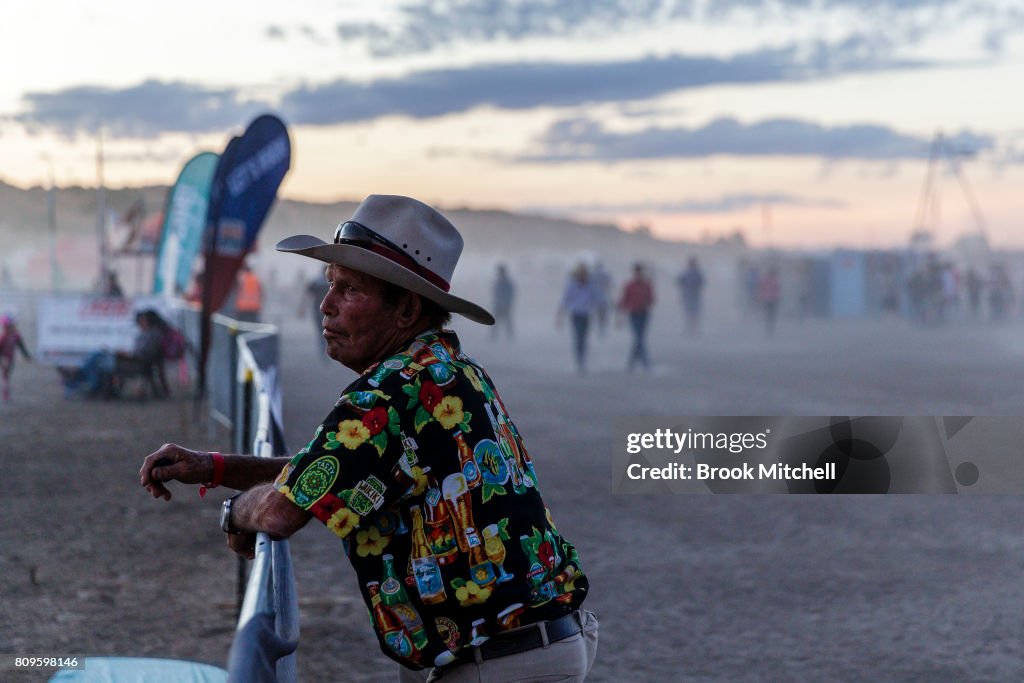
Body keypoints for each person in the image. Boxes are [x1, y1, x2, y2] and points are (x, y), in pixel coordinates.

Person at [139, 195, 597, 682]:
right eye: (330, 284)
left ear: (406, 309)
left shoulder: (389, 391)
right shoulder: (449, 372)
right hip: (537, 644)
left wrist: (235, 512)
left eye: (350, 289)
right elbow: (340, 466)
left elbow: (280, 511)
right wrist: (215, 468)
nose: (326, 304)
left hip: (497, 662)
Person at [557, 263, 602, 374]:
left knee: (583, 339)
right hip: (576, 314)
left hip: (586, 315)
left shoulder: (591, 286)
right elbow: (565, 300)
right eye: (580, 274)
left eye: (584, 274)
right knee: (578, 338)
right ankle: (579, 361)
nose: (582, 276)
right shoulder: (572, 285)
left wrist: (600, 313)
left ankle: (582, 360)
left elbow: (598, 300)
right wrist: (560, 316)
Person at [617, 263, 655, 371]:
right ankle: (645, 362)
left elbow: (652, 299)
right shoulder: (630, 285)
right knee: (639, 337)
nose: (638, 274)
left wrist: (647, 302)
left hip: (644, 313)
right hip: (634, 313)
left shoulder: (647, 285)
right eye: (637, 272)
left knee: (640, 338)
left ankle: (632, 362)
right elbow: (624, 300)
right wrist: (620, 316)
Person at [1, 314, 32, 402]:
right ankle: (5, 394)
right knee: (5, 376)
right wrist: (2, 360)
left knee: (7, 376)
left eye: (13, 325)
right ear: (6, 327)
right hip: (4, 359)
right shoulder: (3, 337)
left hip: (10, 359)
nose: (13, 327)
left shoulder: (16, 336)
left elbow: (21, 346)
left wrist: (27, 356)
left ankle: (6, 393)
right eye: (10, 326)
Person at [676, 256, 705, 335]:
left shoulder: (691, 273)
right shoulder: (690, 273)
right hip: (690, 296)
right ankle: (692, 329)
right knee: (691, 314)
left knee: (692, 314)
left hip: (692, 296)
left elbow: (679, 282)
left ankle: (692, 329)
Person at [491, 263, 516, 340]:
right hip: (498, 305)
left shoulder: (507, 283)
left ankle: (510, 337)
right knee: (496, 321)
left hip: (505, 305)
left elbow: (511, 294)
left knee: (507, 322)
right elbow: (495, 293)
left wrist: (507, 303)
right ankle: (494, 336)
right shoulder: (499, 282)